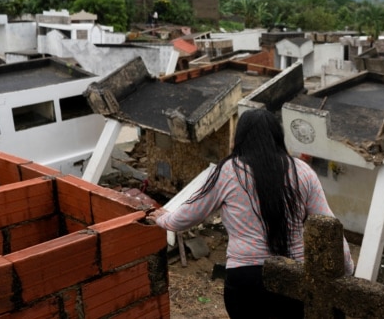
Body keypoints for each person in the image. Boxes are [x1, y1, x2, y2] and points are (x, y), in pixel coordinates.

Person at [149, 108, 353, 319]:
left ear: (240, 138)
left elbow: (189, 216)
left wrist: (163, 218)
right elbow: (331, 228)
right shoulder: (302, 171)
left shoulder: (228, 171)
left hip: (245, 281)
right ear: (278, 136)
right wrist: (346, 269)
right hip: (294, 280)